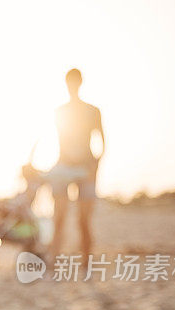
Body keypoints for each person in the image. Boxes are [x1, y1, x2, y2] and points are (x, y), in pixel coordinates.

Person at [48, 68, 105, 265]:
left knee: (83, 220)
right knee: (59, 218)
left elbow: (102, 143)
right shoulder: (60, 111)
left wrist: (94, 166)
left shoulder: (92, 111)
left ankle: (86, 263)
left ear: (80, 83)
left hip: (85, 167)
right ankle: (53, 262)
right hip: (63, 167)